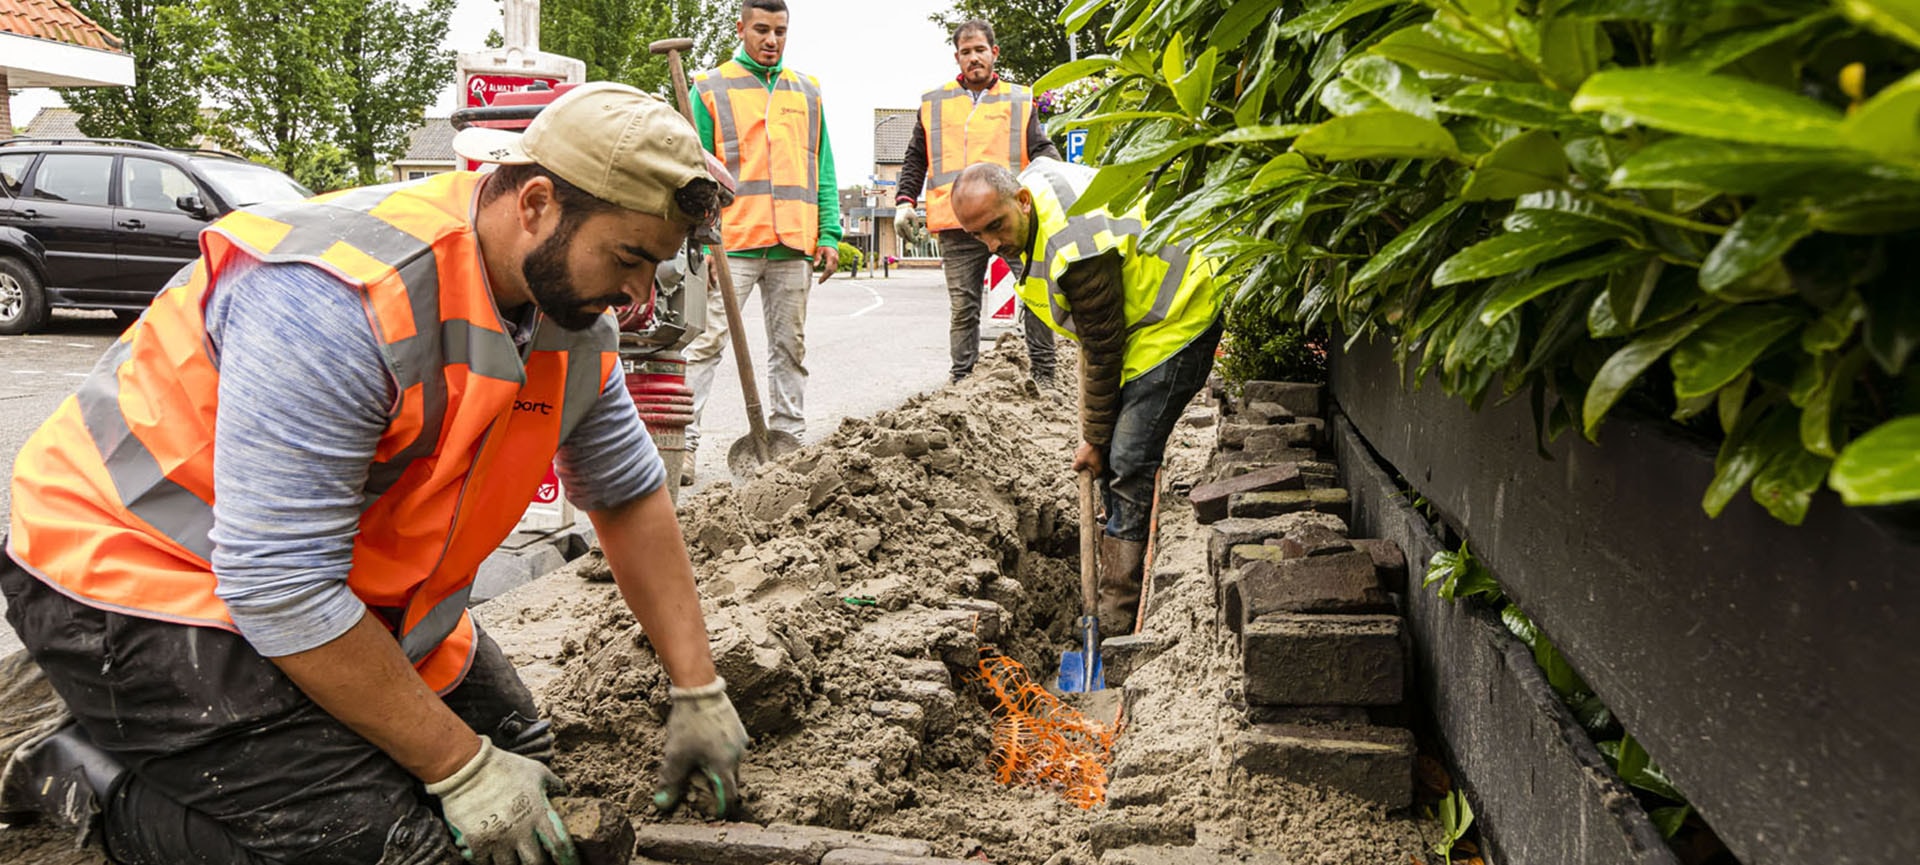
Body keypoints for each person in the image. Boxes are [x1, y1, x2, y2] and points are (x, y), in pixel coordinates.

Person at [0, 83, 749, 865]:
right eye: (629, 257)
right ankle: (91, 778)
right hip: (134, 579)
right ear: (534, 202)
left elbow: (626, 494)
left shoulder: (569, 312)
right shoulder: (339, 298)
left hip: (325, 581)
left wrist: (697, 686)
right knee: (400, 847)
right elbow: (279, 583)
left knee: (531, 775)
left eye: (653, 266)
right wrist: (459, 766)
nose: (636, 296)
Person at [950, 159, 1224, 637]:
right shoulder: (1030, 203)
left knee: (1128, 458)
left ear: (1022, 202)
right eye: (978, 236)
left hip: (1180, 314)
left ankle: (1117, 616)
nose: (992, 246)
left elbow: (1102, 347)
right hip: (1139, 327)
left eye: (995, 227)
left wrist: (1095, 440)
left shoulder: (1075, 246)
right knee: (1115, 455)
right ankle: (1116, 536)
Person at [681, 0, 842, 486]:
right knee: (705, 344)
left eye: (780, 31)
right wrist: (704, 243)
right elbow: (692, 175)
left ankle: (789, 438)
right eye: (762, 30)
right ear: (742, 28)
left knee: (789, 347)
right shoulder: (710, 89)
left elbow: (824, 169)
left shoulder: (807, 91)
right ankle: (684, 446)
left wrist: (830, 232)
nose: (771, 40)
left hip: (793, 241)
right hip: (731, 244)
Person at [895, 19, 1060, 387]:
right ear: (957, 58)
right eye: (966, 52)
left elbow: (1041, 149)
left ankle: (1045, 376)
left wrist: (1057, 181)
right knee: (963, 308)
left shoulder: (1019, 99)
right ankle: (962, 380)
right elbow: (915, 159)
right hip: (957, 223)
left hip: (1010, 221)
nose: (974, 58)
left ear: (994, 53)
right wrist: (904, 201)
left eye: (980, 50)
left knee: (1036, 297)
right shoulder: (934, 104)